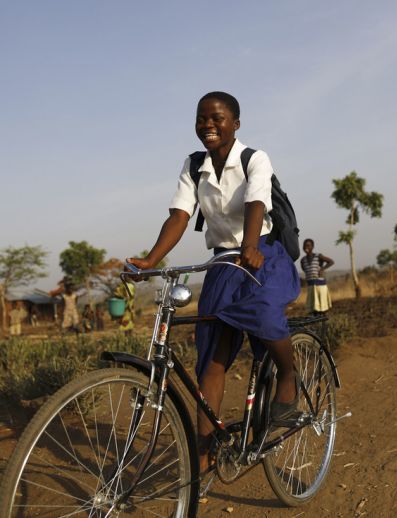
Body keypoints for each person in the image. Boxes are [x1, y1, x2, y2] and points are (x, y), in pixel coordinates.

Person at [127, 91, 301, 473]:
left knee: (264, 310)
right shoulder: (193, 166)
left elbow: (257, 203)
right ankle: (203, 455)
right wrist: (151, 260)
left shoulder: (255, 159)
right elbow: (179, 216)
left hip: (264, 253)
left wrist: (251, 246)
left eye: (217, 118)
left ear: (235, 123)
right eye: (201, 118)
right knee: (213, 354)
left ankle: (288, 373)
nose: (208, 124)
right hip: (224, 260)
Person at [300, 238, 335, 313]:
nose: (306, 247)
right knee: (313, 309)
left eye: (308, 245)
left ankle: (323, 323)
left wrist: (322, 269)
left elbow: (331, 262)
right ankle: (316, 324)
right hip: (311, 286)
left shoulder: (318, 256)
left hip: (320, 286)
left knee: (322, 308)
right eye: (304, 246)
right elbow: (305, 270)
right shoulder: (303, 260)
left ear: (312, 247)